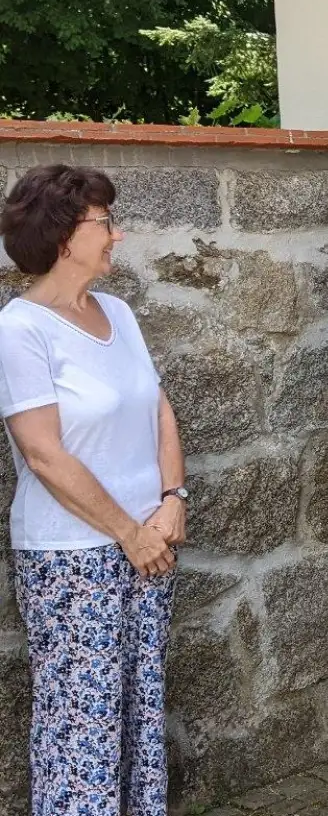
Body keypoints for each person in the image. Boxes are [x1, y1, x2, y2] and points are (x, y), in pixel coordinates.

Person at [0, 165, 188, 815]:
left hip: (150, 547)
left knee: (138, 714)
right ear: (61, 237)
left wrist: (173, 499)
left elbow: (158, 407)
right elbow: (44, 454)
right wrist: (129, 532)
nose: (117, 234)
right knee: (82, 724)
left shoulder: (118, 312)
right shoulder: (20, 329)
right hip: (72, 560)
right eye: (104, 222)